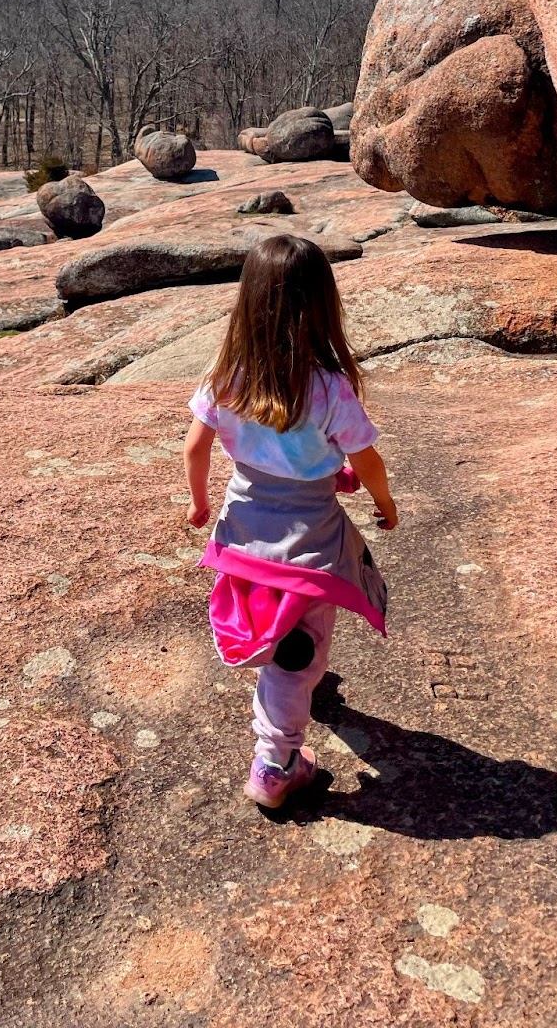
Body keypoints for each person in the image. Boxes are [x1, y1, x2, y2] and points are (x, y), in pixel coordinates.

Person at [183, 234, 397, 809]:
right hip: (306, 547)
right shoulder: (329, 387)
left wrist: (200, 503)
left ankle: (287, 684)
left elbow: (196, 448)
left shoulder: (227, 375)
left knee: (268, 627)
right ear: (322, 305)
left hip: (242, 532)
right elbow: (366, 457)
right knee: (297, 651)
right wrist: (385, 503)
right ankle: (276, 765)